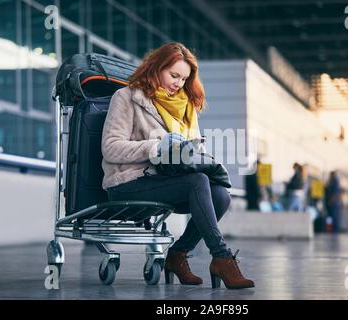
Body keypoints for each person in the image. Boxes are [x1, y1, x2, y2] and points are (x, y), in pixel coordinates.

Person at [100, 42, 254, 289]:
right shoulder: (126, 98)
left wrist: (195, 156)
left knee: (221, 196)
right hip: (129, 182)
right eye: (174, 75)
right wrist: (155, 147)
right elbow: (110, 147)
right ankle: (222, 258)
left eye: (184, 79)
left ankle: (177, 255)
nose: (179, 83)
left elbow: (194, 150)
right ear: (157, 68)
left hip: (167, 180)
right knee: (198, 182)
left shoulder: (187, 106)